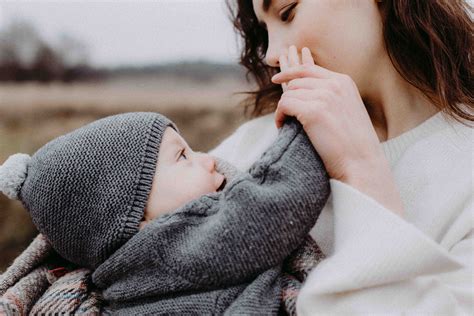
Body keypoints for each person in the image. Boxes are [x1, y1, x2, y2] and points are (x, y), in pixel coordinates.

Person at [209, 0, 473, 314]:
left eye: (287, 12)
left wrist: (359, 168)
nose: (272, 54)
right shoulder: (247, 150)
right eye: (265, 30)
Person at [0, 112, 330, 314]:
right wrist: (307, 124)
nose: (208, 159)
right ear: (135, 220)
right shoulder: (172, 247)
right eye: (183, 157)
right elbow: (276, 202)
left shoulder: (123, 280)